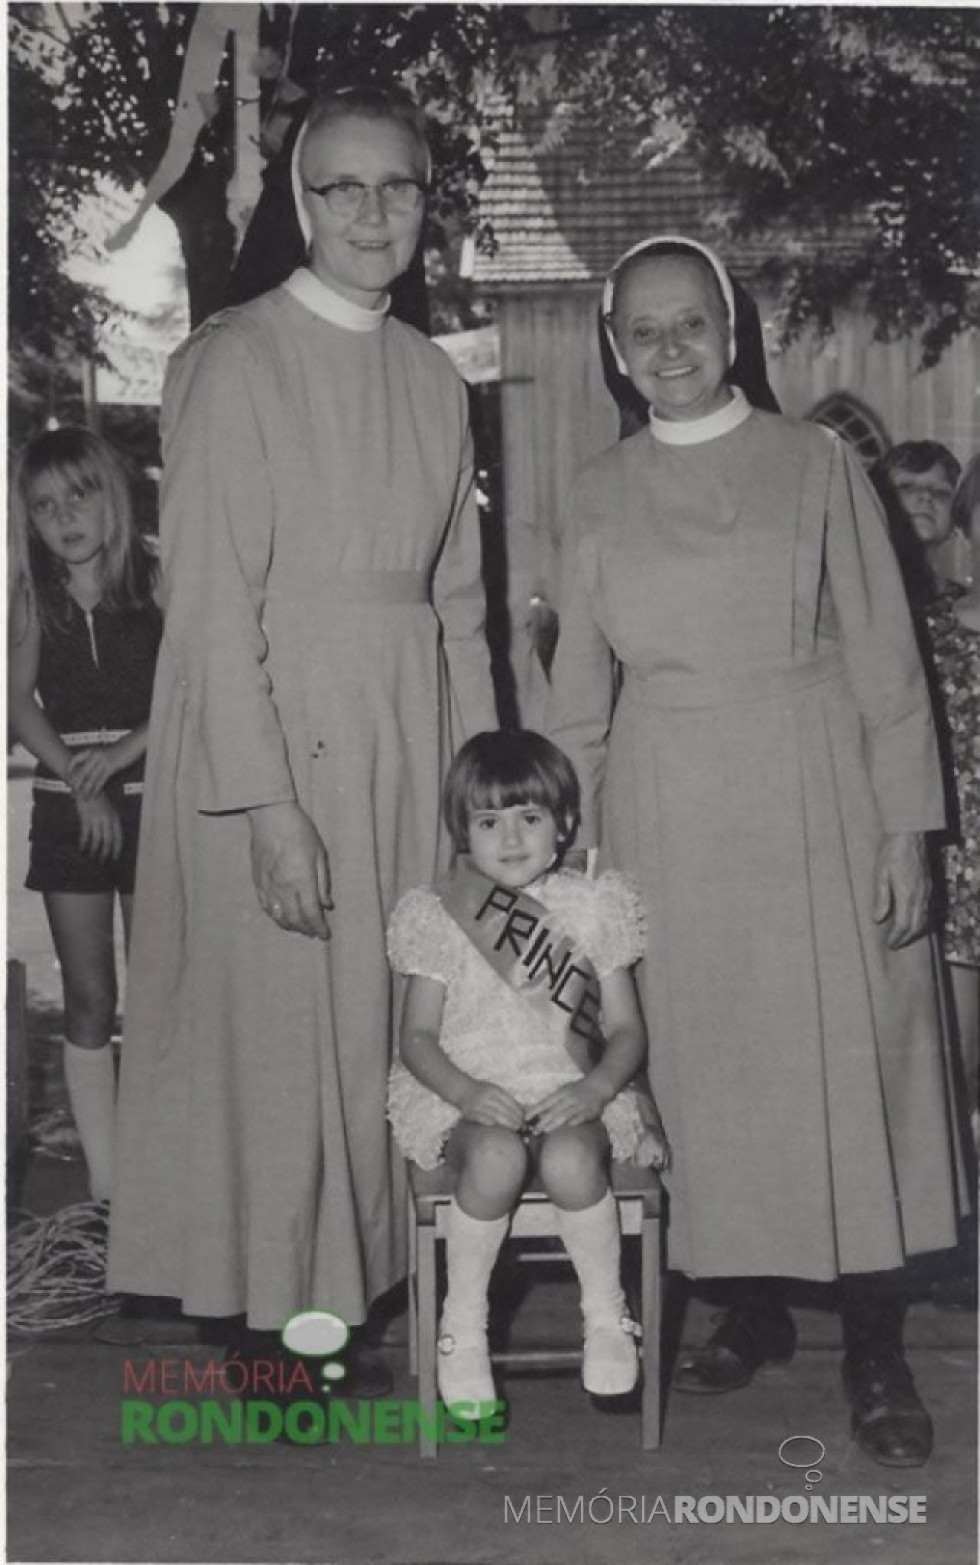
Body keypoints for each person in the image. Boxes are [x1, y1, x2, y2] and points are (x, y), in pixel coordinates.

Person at [545, 234, 966, 1468]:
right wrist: (570, 866)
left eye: (690, 323)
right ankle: (748, 1299)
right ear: (614, 351)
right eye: (642, 331)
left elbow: (887, 657)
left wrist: (906, 827)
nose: (667, 347)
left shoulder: (814, 462)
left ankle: (876, 1344)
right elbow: (578, 694)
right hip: (667, 804)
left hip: (814, 788)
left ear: (729, 331)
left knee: (850, 1068)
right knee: (706, 1071)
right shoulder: (595, 487)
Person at [106, 84, 497, 1389]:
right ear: (298, 202)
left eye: (399, 186)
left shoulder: (437, 382)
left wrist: (485, 808)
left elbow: (460, 612)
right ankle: (272, 1333)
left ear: (426, 201)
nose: (374, 213)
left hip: (404, 739)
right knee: (277, 1042)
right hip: (266, 741)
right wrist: (270, 807)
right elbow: (212, 607)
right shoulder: (237, 361)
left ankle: (350, 1296)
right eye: (342, 188)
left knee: (378, 1033)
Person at [387, 730, 668, 1410]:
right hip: (469, 1096)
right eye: (488, 821)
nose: (509, 839)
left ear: (564, 822)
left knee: (574, 1163)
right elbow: (416, 1037)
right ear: (463, 831)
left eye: (530, 818)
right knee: (495, 1160)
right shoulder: (440, 913)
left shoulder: (595, 905)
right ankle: (463, 1325)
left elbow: (626, 1029)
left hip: (572, 1090)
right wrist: (466, 1092)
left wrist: (596, 1087)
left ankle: (606, 1313)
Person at [8, 427, 162, 1202]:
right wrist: (78, 775)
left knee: (162, 990)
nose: (64, 516)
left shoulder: (160, 577)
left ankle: (167, 1176)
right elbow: (15, 702)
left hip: (153, 797)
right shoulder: (34, 595)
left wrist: (127, 753)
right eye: (43, 505)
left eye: (81, 493)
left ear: (114, 493)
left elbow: (199, 686)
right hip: (70, 805)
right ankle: (110, 1193)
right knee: (89, 997)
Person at [873, 440, 965, 594]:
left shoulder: (970, 609)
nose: (926, 496)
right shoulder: (858, 593)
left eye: (941, 492)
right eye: (907, 487)